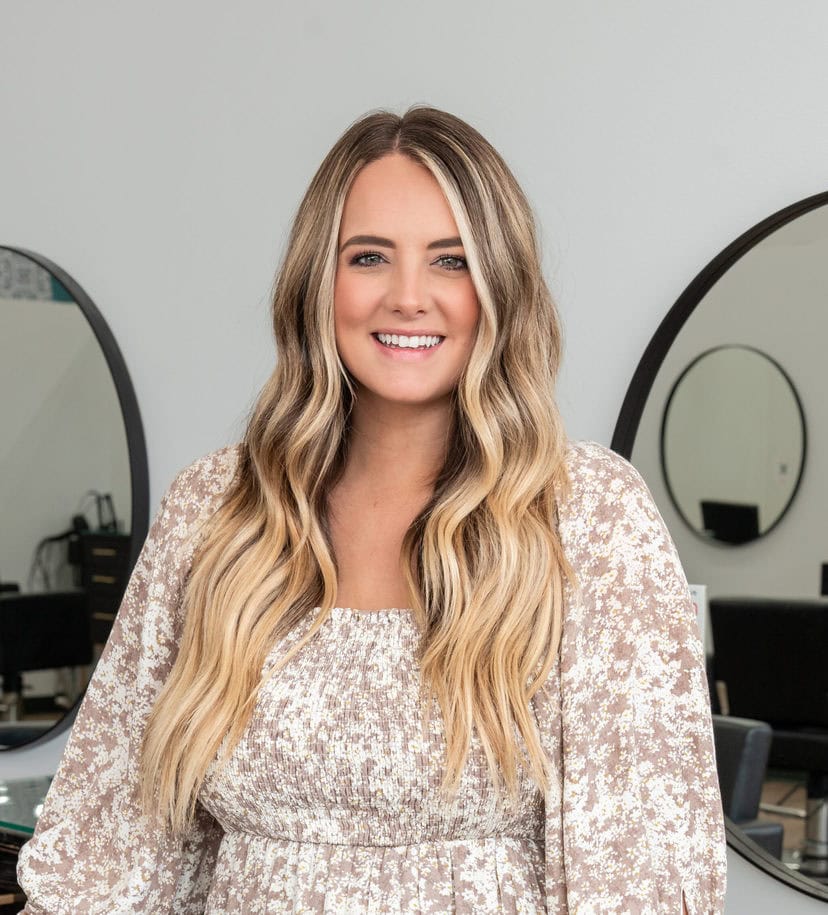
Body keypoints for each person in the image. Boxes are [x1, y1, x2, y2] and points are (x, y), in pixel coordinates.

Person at [16, 105, 727, 913]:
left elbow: (640, 871)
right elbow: (111, 853)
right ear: (318, 282)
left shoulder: (587, 516)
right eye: (369, 257)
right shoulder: (215, 510)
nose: (408, 297)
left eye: (451, 260)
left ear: (499, 286)